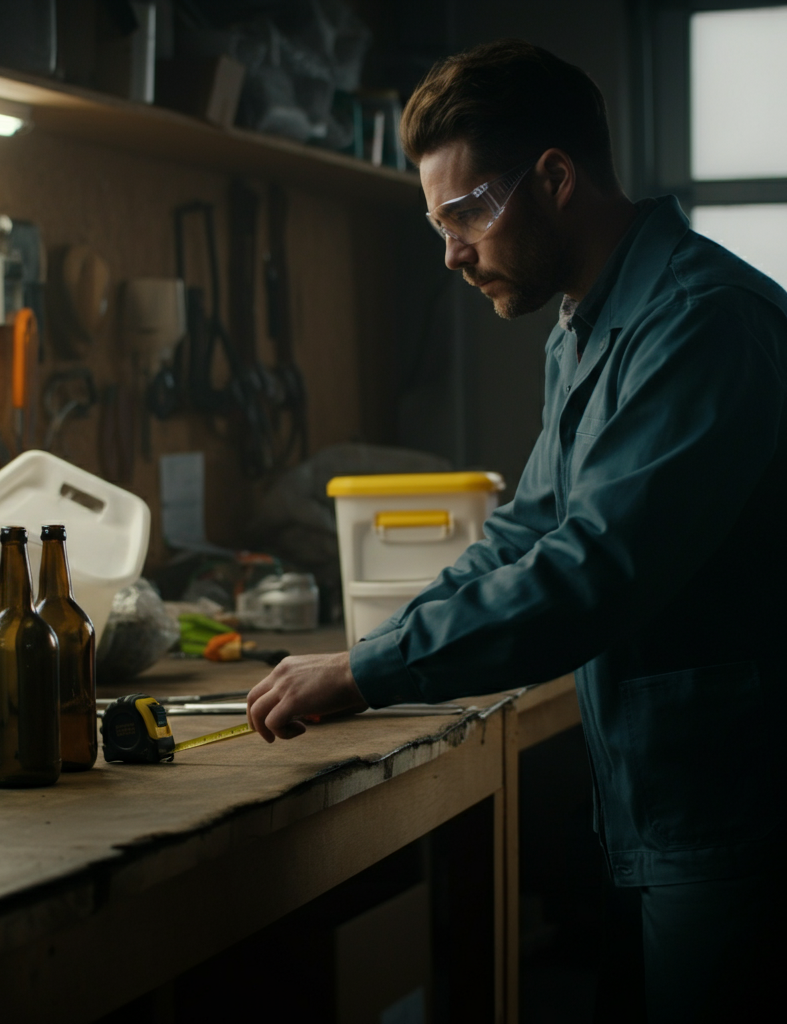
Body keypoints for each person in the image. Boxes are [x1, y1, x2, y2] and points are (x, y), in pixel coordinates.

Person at [246, 39, 787, 1022]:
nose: (450, 252)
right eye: (436, 223)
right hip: (653, 806)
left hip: (736, 815)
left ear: (553, 178)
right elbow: (522, 534)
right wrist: (366, 654)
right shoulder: (585, 324)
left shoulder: (702, 325)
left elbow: (590, 573)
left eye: (464, 213)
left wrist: (369, 673)